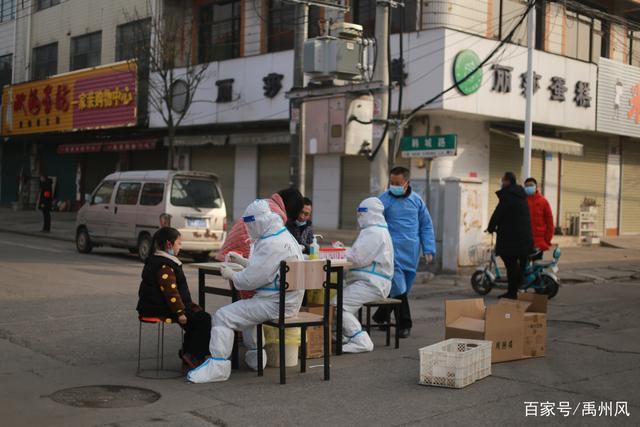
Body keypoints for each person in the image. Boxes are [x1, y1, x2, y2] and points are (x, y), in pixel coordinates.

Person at [187, 199, 304, 383]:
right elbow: (267, 271)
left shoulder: (270, 244)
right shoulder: (282, 236)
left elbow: (249, 281)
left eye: (249, 224)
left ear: (258, 222)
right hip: (285, 301)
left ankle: (218, 367)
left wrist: (231, 275)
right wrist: (242, 262)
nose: (248, 228)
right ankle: (256, 358)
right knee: (246, 315)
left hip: (274, 303)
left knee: (223, 316)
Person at [373, 166, 435, 338]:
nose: (394, 186)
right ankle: (404, 324)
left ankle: (380, 316)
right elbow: (374, 223)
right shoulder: (383, 200)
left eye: (397, 183)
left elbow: (426, 225)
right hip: (390, 251)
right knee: (399, 286)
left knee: (403, 289)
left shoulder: (417, 201)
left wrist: (428, 248)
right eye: (391, 183)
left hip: (411, 252)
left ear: (407, 182)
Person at [136, 227, 212, 368]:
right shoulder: (165, 265)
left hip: (159, 305)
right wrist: (180, 312)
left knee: (196, 320)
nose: (180, 246)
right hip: (161, 307)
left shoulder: (157, 260)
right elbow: (170, 293)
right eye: (179, 243)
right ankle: (193, 355)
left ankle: (188, 353)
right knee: (204, 319)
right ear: (169, 245)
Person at [334, 197, 394, 353]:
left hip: (371, 283)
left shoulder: (374, 232)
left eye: (362, 212)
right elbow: (360, 254)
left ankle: (361, 340)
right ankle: (346, 336)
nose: (359, 216)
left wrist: (341, 251)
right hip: (371, 282)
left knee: (338, 305)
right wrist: (345, 250)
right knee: (339, 302)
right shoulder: (376, 230)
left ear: (371, 213)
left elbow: (358, 258)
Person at [487, 172, 534, 300]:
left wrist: (490, 227)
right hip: (525, 237)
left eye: (503, 180)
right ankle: (518, 287)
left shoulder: (507, 195)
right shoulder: (521, 195)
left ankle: (512, 292)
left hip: (511, 238)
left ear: (507, 181)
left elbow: (498, 213)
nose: (502, 183)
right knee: (520, 263)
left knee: (510, 263)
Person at [524, 177, 554, 261]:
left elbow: (550, 222)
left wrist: (547, 240)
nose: (529, 187)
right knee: (523, 268)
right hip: (524, 241)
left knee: (537, 267)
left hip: (539, 242)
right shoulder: (522, 201)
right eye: (527, 186)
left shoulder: (543, 202)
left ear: (536, 187)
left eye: (531, 185)